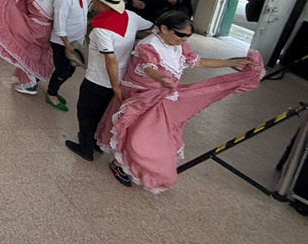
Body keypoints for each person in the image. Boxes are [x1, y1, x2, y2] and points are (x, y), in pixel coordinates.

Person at [97, 12, 263, 192]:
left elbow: (198, 62)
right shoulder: (149, 46)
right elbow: (149, 67)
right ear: (164, 29)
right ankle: (120, 163)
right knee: (139, 132)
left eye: (188, 36)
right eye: (180, 34)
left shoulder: (180, 45)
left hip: (161, 95)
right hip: (141, 95)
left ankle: (126, 162)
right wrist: (161, 79)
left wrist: (234, 63)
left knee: (151, 132)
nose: (184, 39)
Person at [64, 0, 153, 162]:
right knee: (103, 113)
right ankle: (98, 142)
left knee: (86, 113)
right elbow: (152, 27)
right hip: (121, 77)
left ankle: (85, 148)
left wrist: (114, 85)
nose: (93, 2)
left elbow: (110, 59)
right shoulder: (131, 17)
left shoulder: (101, 29)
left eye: (96, 0)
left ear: (103, 4)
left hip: (98, 80)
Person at [0, 0, 62, 94]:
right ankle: (35, 76)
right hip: (48, 29)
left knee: (27, 53)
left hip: (34, 27)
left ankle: (30, 84)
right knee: (40, 54)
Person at [46, 0, 90, 111]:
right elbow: (59, 24)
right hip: (62, 42)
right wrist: (66, 44)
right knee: (62, 70)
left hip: (75, 41)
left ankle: (54, 89)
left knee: (70, 70)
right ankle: (51, 93)